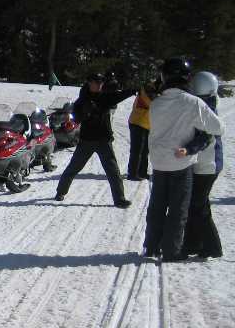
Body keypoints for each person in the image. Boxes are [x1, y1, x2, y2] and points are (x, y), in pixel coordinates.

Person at [143, 58, 225, 261]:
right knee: (179, 209)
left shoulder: (156, 103)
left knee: (157, 206)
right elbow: (217, 128)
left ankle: (151, 246)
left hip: (159, 163)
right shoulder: (193, 102)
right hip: (181, 163)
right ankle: (172, 250)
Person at [54, 72, 137, 207]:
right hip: (87, 141)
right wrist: (85, 113)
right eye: (96, 82)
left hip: (104, 140)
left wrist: (133, 90)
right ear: (89, 83)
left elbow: (119, 95)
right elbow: (75, 118)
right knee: (74, 167)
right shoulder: (81, 100)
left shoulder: (105, 97)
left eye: (101, 82)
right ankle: (60, 192)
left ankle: (119, 199)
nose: (99, 85)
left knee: (113, 171)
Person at [181, 71, 224, 258]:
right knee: (196, 204)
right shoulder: (206, 104)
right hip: (206, 163)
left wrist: (187, 149)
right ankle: (193, 243)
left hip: (207, 165)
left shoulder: (204, 108)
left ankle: (212, 246)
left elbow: (205, 137)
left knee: (198, 206)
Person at [126, 79, 160, 181]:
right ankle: (132, 173)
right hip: (137, 122)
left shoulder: (150, 92)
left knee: (145, 150)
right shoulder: (145, 93)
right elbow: (152, 104)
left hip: (146, 124)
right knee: (137, 150)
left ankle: (142, 172)